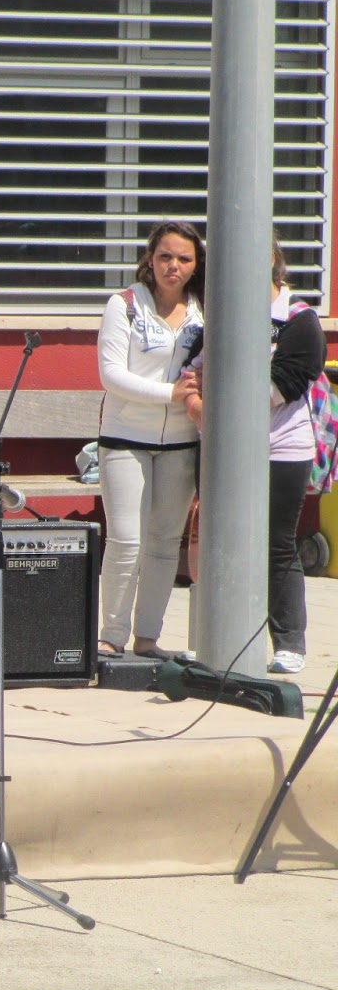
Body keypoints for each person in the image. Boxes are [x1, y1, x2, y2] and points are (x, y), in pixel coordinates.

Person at [185, 240, 326, 675]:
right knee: (218, 540)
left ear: (271, 259)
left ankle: (289, 643)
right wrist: (196, 402)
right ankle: (213, 639)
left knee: (276, 544)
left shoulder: (299, 319)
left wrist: (215, 404)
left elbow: (281, 386)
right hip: (221, 447)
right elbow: (191, 371)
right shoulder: (221, 314)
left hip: (282, 450)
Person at [94, 220, 205, 661]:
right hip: (124, 439)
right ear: (150, 259)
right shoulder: (124, 304)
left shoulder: (204, 309)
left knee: (163, 543)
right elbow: (110, 375)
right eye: (165, 256)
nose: (173, 266)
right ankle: (111, 635)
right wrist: (170, 393)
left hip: (181, 441)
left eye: (184, 258)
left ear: (196, 265)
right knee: (126, 541)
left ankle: (147, 638)